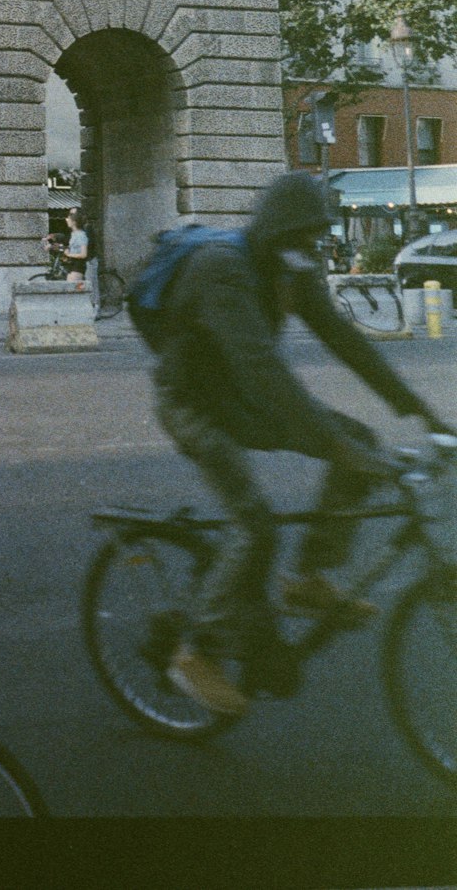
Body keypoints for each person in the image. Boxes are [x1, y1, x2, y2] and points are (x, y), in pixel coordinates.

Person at [152, 171, 443, 718]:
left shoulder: (292, 267)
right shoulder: (223, 271)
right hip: (191, 401)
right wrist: (331, 444)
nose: (309, 248)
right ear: (275, 231)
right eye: (302, 235)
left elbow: (345, 339)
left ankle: (307, 577)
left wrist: (421, 411)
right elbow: (264, 371)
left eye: (316, 236)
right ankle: (196, 652)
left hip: (241, 398)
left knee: (363, 440)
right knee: (254, 523)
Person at [69, 206, 99, 312]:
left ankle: (95, 310)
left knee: (91, 285)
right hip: (83, 261)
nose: (70, 217)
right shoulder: (78, 229)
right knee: (80, 285)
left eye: (73, 214)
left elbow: (88, 245)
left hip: (89, 260)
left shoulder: (87, 228)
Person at [63, 208, 89, 289]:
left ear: (74, 222)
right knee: (71, 291)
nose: (67, 220)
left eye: (69, 219)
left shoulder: (81, 235)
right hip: (72, 265)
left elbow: (83, 254)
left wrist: (69, 254)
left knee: (73, 291)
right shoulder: (74, 234)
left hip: (78, 266)